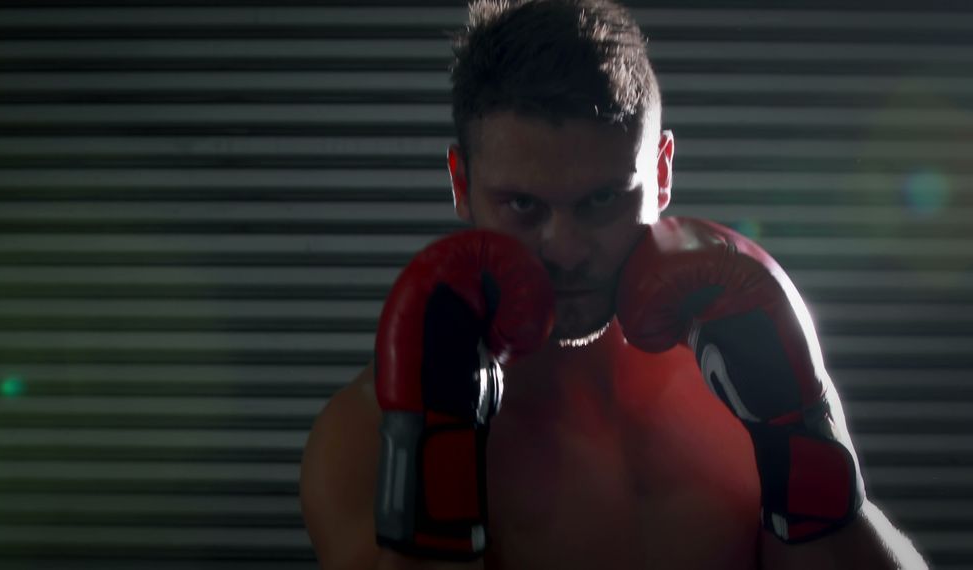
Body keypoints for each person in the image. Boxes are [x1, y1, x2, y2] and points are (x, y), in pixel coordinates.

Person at [300, 1, 929, 568]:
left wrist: (802, 435)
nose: (567, 250)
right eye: (522, 205)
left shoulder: (741, 388)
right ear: (462, 186)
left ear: (660, 172)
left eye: (603, 199)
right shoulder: (370, 435)